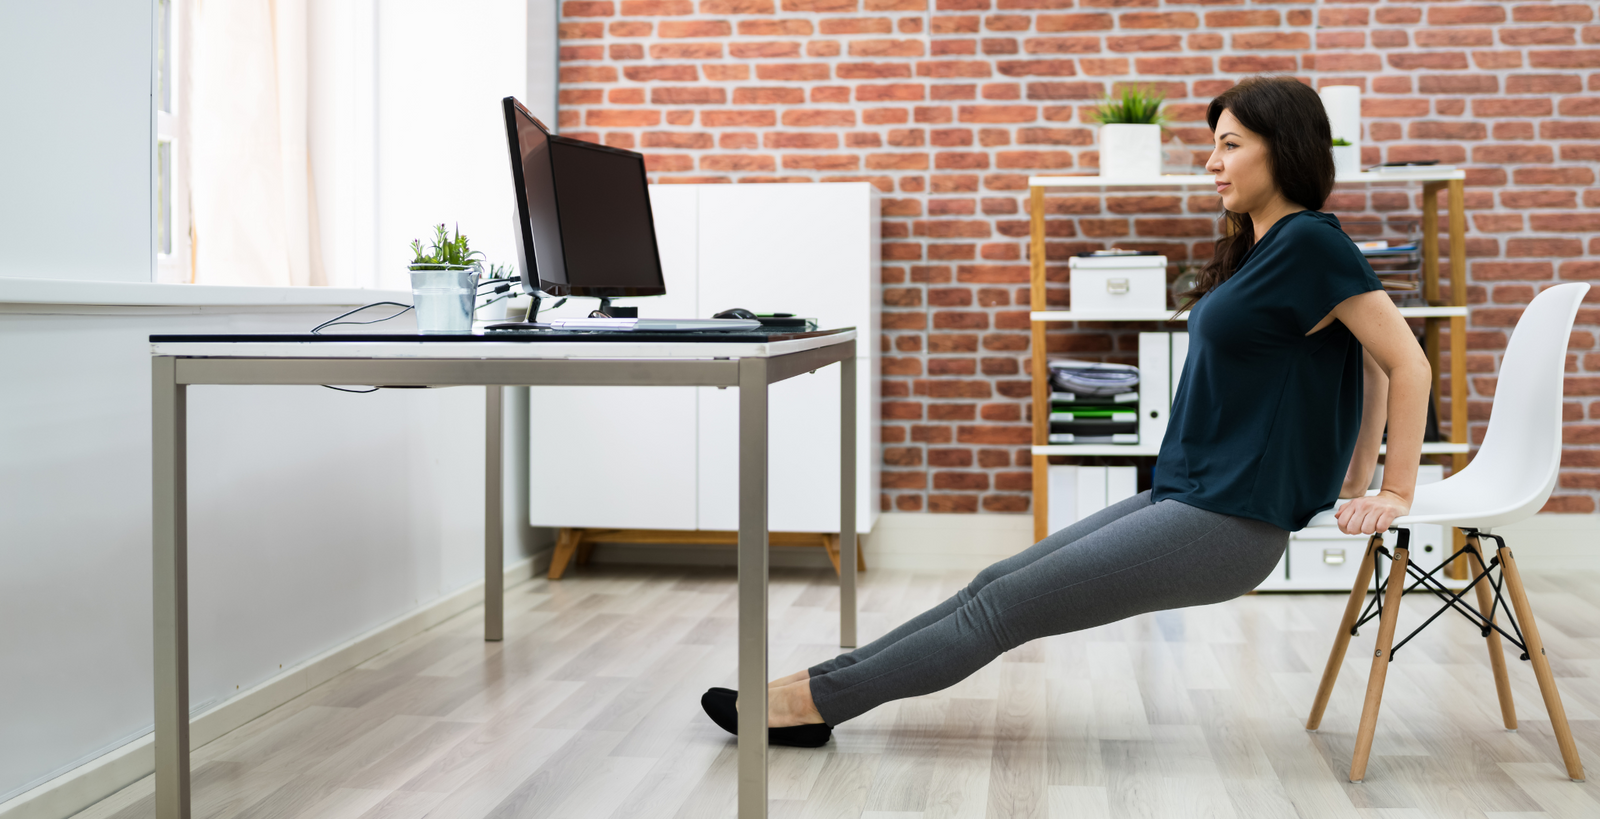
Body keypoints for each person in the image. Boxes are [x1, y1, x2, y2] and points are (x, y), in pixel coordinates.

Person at [700, 75, 1434, 748]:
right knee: (991, 585)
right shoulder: (1260, 249)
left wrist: (1389, 488)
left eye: (1230, 145)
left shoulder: (1310, 242)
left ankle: (808, 706)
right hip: (1185, 495)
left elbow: (1403, 360)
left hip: (1229, 523)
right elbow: (1363, 362)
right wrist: (1350, 472)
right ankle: (808, 689)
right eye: (1213, 146)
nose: (1212, 162)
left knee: (1002, 610)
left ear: (1287, 150)